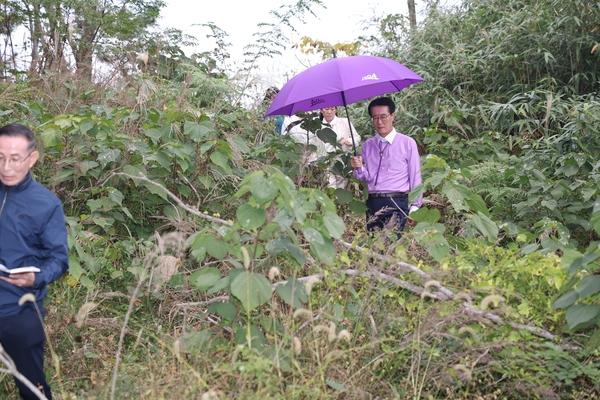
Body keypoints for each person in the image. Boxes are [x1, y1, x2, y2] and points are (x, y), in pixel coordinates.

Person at [0, 123, 69, 400]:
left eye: (15, 159)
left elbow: (59, 259)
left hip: (20, 310)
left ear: (33, 158)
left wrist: (35, 278)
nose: (6, 166)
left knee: (33, 388)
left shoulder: (46, 204)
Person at [350, 97, 422, 238]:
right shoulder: (367, 146)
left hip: (396, 201)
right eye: (375, 118)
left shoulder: (407, 143)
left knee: (391, 248)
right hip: (373, 202)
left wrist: (415, 207)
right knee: (374, 246)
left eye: (383, 116)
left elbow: (415, 176)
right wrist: (358, 168)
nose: (379, 122)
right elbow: (367, 178)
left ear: (393, 116)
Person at [319, 107, 361, 189]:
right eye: (326, 109)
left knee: (342, 186)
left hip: (342, 161)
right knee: (329, 187)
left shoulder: (345, 122)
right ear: (321, 110)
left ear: (336, 110)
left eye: (332, 109)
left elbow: (357, 137)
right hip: (326, 162)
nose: (329, 112)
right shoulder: (318, 126)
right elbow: (314, 144)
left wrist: (350, 141)